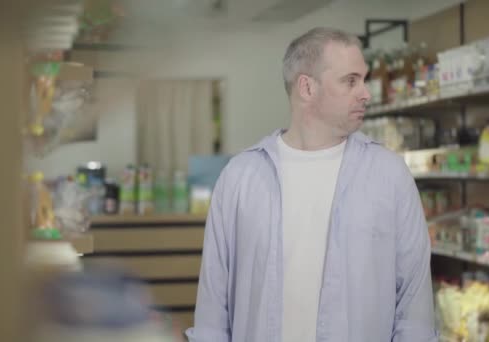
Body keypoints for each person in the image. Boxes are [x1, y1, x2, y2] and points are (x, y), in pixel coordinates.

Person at [185, 27, 437, 342]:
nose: (366, 93)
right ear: (307, 87)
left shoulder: (390, 175)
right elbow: (212, 308)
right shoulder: (240, 177)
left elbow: (415, 308)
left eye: (364, 78)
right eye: (350, 80)